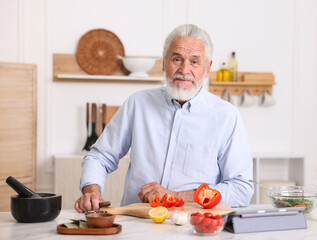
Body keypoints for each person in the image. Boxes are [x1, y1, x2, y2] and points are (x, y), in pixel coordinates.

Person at [74, 24, 254, 213]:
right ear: (164, 63)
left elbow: (241, 189)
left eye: (194, 62)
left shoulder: (226, 116)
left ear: (207, 68)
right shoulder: (137, 103)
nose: (184, 70)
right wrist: (92, 189)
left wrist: (176, 196)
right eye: (177, 59)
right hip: (136, 222)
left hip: (195, 225)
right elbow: (100, 156)